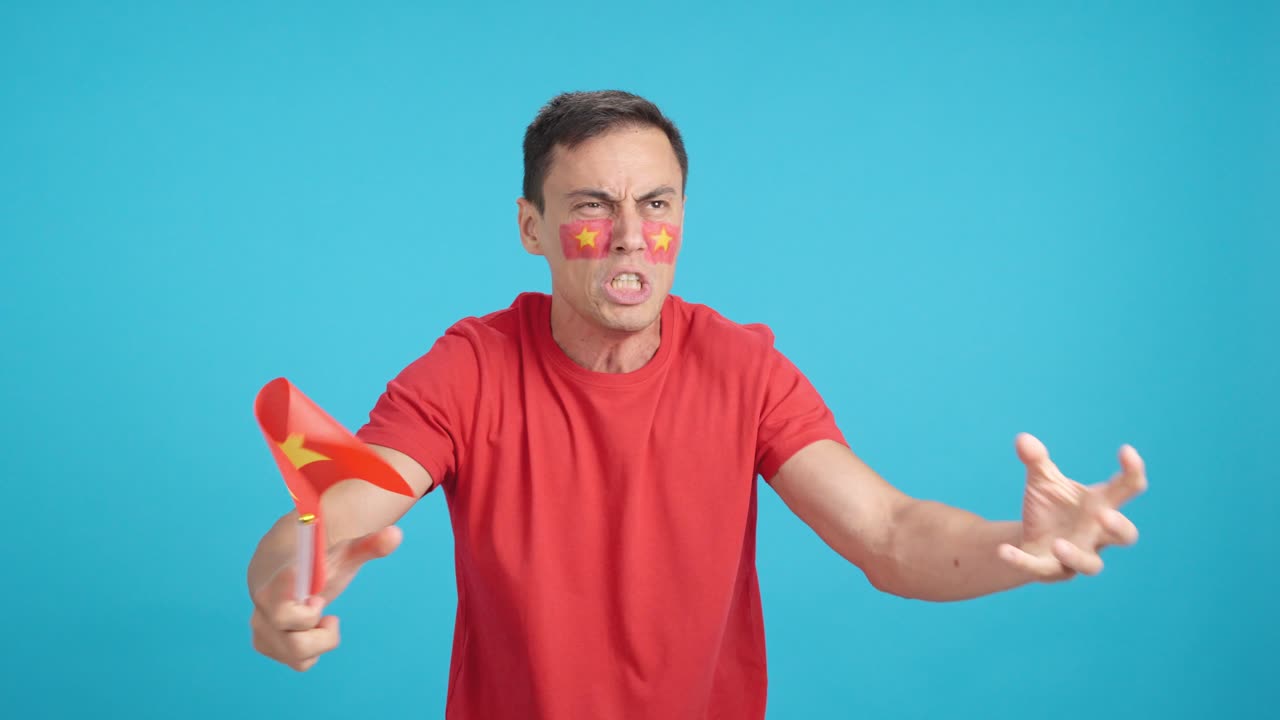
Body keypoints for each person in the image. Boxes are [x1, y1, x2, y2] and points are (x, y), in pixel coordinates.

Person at [247, 90, 1147, 718]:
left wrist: (1016, 546)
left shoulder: (742, 367)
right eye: (594, 205)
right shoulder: (468, 371)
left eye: (658, 203)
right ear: (532, 228)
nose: (634, 236)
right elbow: (333, 516)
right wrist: (287, 587)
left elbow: (890, 534)